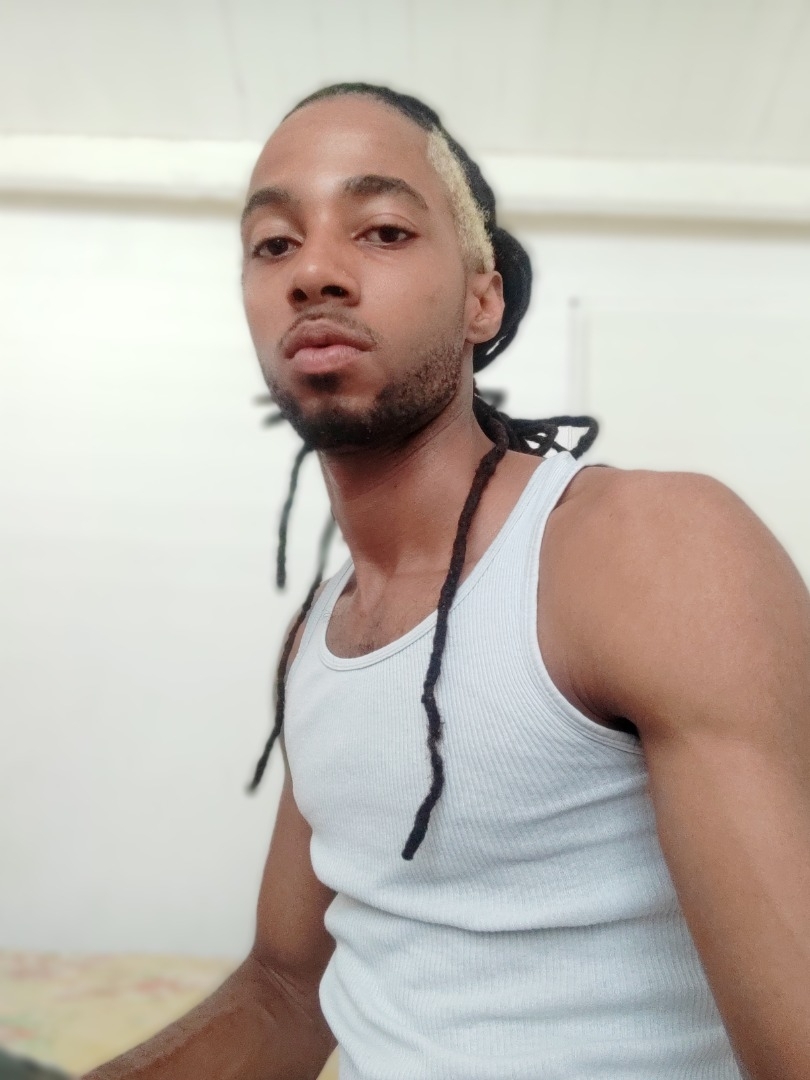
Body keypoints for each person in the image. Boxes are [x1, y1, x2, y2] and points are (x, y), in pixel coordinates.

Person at [85, 83, 810, 1080]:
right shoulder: (322, 638)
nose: (314, 273)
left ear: (482, 298)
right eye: (274, 244)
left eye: (382, 230)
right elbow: (288, 991)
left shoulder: (647, 549)